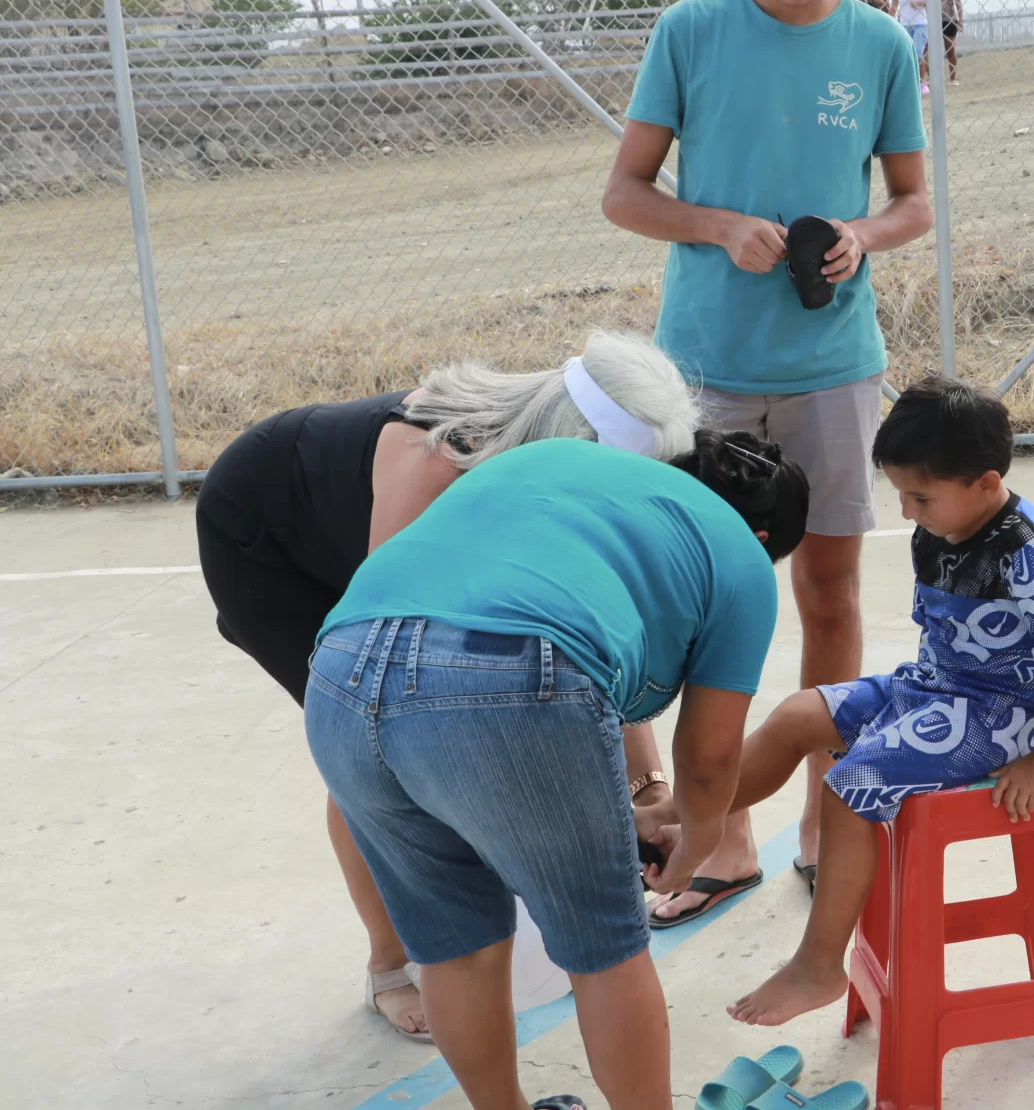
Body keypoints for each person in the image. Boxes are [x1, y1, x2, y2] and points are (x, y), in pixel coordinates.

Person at [601, 0, 933, 928]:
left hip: (833, 363)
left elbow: (912, 204)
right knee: (709, 604)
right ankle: (719, 829)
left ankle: (826, 812)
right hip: (701, 369)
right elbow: (625, 193)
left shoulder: (879, 41)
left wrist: (858, 236)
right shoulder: (690, 30)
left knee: (829, 592)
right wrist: (716, 227)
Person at [194, 331, 700, 1041]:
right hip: (268, 533)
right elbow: (373, 663)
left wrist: (643, 790)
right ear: (567, 437)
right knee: (373, 747)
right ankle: (389, 965)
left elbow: (592, 640)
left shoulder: (556, 474)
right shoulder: (433, 459)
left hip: (350, 521)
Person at [307, 433, 808, 1110]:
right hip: (508, 676)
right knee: (604, 945)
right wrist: (692, 845)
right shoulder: (737, 551)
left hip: (340, 672)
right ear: (761, 534)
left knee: (457, 945)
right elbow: (710, 758)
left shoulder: (563, 463)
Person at [638, 376, 1034, 1027]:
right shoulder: (938, 526)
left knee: (852, 782)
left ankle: (820, 963)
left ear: (987, 484)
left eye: (920, 496)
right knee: (798, 714)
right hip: (933, 686)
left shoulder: (1027, 552)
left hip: (1002, 715)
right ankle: (688, 816)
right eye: (900, 492)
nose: (907, 511)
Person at [895, 0, 931, 94]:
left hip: (920, 23)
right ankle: (909, 82)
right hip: (904, 24)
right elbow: (894, 7)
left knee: (917, 52)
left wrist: (920, 2)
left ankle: (921, 83)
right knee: (906, 54)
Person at [938, 0, 964, 85]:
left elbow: (958, 3)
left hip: (949, 19)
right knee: (930, 49)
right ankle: (932, 77)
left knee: (950, 49)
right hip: (932, 20)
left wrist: (961, 20)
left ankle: (952, 77)